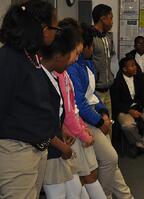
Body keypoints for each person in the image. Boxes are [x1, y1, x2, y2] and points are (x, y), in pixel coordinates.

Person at [67, 25, 134, 199]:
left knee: (111, 161)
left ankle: (125, 196)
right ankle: (105, 195)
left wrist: (103, 112)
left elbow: (92, 93)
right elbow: (80, 102)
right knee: (109, 159)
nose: (92, 49)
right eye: (90, 46)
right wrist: (99, 121)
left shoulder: (87, 63)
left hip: (93, 116)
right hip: (84, 120)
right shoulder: (73, 67)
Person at [0, 1, 58, 198]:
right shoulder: (9, 59)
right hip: (17, 152)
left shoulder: (31, 56)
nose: (56, 33)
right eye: (54, 28)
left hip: (37, 149)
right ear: (42, 29)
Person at [54, 21, 107, 199]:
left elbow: (78, 103)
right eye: (76, 53)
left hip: (77, 127)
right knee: (79, 181)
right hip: (70, 134)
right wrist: (84, 132)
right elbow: (70, 110)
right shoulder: (64, 72)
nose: (77, 58)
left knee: (79, 182)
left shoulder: (75, 69)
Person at [39, 22, 85, 199]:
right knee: (59, 194)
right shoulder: (39, 78)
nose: (73, 60)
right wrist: (62, 146)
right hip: (50, 150)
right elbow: (39, 122)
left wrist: (63, 130)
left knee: (75, 191)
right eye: (71, 55)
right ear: (58, 56)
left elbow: (55, 115)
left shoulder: (53, 76)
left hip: (58, 142)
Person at [111, 56, 144, 158]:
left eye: (135, 65)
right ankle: (140, 144)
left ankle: (140, 146)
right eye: (132, 66)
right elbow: (116, 103)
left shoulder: (138, 78)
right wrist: (129, 111)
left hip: (139, 108)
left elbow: (143, 95)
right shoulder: (116, 82)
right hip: (124, 110)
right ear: (124, 69)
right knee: (128, 125)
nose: (135, 67)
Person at [92, 4, 115, 119]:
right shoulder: (91, 37)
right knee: (100, 126)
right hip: (95, 92)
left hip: (107, 90)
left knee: (109, 125)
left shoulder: (108, 37)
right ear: (103, 18)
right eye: (110, 18)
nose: (112, 22)